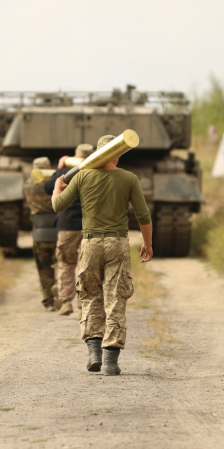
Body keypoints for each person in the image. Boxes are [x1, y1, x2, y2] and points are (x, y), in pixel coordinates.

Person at [51, 135, 153, 376]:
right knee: (116, 298)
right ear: (117, 154)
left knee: (89, 296)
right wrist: (148, 244)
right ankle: (110, 361)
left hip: (90, 244)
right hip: (118, 243)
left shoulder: (83, 176)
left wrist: (57, 187)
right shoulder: (129, 178)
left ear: (97, 154)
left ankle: (94, 352)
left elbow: (57, 206)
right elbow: (143, 215)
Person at [44, 144, 94, 316]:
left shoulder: (67, 172)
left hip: (67, 226)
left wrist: (60, 169)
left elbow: (48, 187)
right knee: (85, 265)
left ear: (76, 156)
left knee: (66, 262)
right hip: (90, 224)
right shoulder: (98, 172)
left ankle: (66, 302)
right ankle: (83, 307)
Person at [24, 157, 58, 311]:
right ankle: (61, 292)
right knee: (62, 265)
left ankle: (48, 300)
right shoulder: (58, 182)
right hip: (59, 230)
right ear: (49, 167)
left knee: (43, 267)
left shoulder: (29, 185)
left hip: (39, 231)